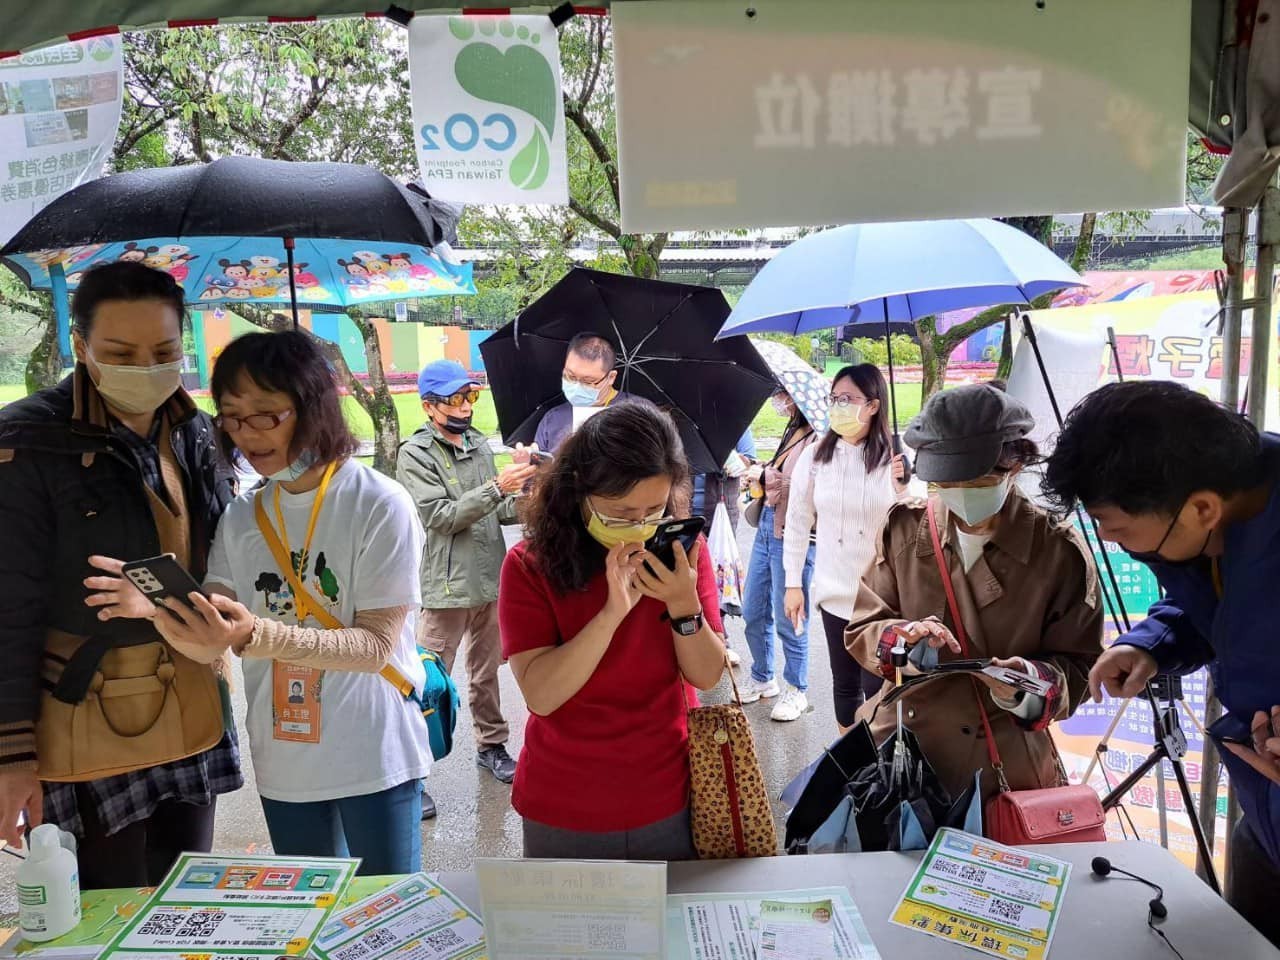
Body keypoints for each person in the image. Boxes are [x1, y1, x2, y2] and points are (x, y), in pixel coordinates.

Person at [134, 330, 431, 876]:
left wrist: (254, 636)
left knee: (386, 918)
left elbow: (374, 647)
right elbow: (213, 634)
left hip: (374, 753)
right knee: (309, 917)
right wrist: (157, 610)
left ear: (313, 407)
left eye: (267, 414)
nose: (247, 434)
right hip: (284, 759)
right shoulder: (242, 516)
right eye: (231, 416)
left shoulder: (379, 504)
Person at [0, 262, 242, 888]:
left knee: (186, 896)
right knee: (107, 904)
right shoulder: (28, 440)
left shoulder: (192, 427)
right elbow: (9, 607)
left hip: (189, 689)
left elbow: (222, 553)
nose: (146, 368)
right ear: (79, 346)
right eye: (120, 352)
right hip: (85, 706)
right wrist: (12, 755)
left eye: (163, 351)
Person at [1040, 380, 1280, 946]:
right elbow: (1213, 605)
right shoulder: (1215, 512)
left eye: (1116, 527)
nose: (1108, 538)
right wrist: (1152, 641)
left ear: (1201, 508)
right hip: (1264, 817)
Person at [846, 384, 1104, 806]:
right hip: (901, 757)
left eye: (979, 479)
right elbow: (864, 627)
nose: (962, 492)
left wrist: (1025, 685)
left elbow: (1081, 667)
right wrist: (902, 641)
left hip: (1004, 766)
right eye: (948, 481)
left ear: (1015, 465)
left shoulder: (1058, 552)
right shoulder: (906, 529)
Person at [498, 403, 728, 859]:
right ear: (579, 492)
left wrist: (683, 605)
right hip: (563, 800)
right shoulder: (530, 565)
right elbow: (542, 695)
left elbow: (707, 675)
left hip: (668, 790)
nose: (638, 527)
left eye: (653, 510)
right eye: (619, 514)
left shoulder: (684, 553)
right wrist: (610, 615)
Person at [397, 360, 533, 809]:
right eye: (455, 399)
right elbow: (439, 516)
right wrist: (498, 487)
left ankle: (491, 746)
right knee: (425, 682)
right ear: (429, 406)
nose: (465, 407)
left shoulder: (477, 443)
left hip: (490, 580)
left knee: (486, 674)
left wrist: (528, 487)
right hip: (446, 587)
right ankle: (411, 773)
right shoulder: (414, 453)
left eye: (470, 397)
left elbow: (499, 511)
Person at [782, 364, 907, 730]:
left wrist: (904, 485)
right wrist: (793, 584)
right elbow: (798, 521)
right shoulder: (816, 456)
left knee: (880, 687)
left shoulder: (894, 459)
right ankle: (853, 768)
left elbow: (914, 519)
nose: (837, 406)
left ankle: (879, 767)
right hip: (834, 591)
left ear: (873, 405)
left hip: (882, 597)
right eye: (833, 399)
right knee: (845, 685)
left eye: (847, 399)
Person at [739, 390, 819, 721]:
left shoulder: (818, 436)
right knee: (753, 609)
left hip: (796, 532)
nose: (778, 400)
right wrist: (760, 469)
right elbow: (780, 476)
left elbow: (804, 489)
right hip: (768, 526)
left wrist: (763, 476)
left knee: (790, 616)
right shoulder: (792, 429)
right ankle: (763, 677)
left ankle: (796, 689)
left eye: (783, 395)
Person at [533, 333, 644, 454]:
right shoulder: (553, 419)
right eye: (570, 376)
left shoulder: (640, 415)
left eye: (588, 381)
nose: (577, 386)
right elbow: (541, 469)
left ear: (611, 377)